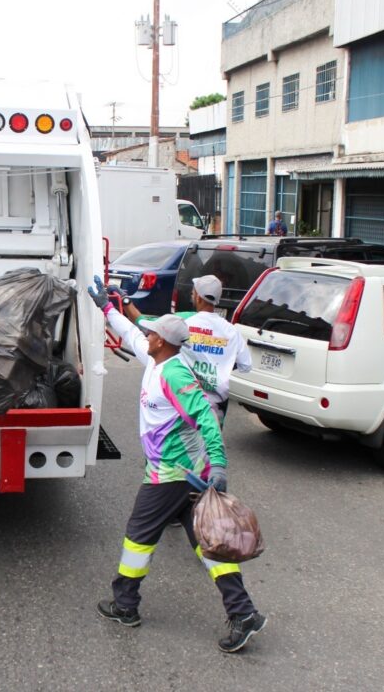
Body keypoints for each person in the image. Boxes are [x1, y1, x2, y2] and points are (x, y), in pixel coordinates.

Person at [87, 276, 266, 653]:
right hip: (184, 472)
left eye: (152, 333)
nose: (145, 335)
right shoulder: (155, 357)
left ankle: (125, 603)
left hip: (174, 472)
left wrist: (218, 462)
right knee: (207, 542)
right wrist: (106, 307)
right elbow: (130, 328)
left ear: (163, 342)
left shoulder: (175, 373)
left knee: (138, 534)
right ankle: (243, 612)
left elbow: (204, 415)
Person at [180, 275, 252, 428]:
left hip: (186, 399)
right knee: (211, 448)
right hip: (217, 404)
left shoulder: (185, 325)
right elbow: (245, 365)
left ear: (198, 298)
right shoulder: (231, 331)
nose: (192, 295)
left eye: (193, 293)